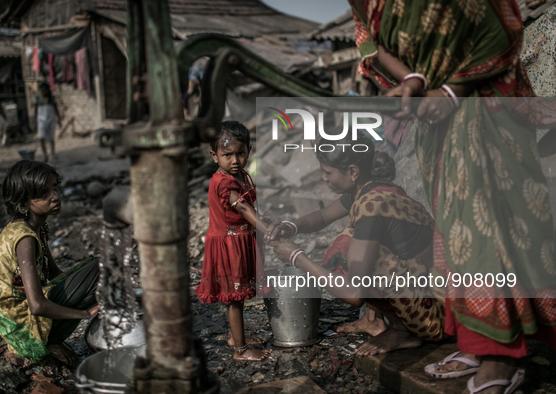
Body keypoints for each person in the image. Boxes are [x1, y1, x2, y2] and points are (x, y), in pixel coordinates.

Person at [348, 0, 556, 392]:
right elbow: (371, 44)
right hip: (433, 118)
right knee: (456, 234)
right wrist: (411, 81)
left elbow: (499, 31)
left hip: (486, 108)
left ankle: (501, 357)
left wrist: (451, 92)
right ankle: (475, 343)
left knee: (487, 232)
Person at [267, 134, 446, 356]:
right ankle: (373, 319)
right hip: (429, 296)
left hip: (435, 315)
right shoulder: (369, 190)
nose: (323, 177)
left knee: (345, 247)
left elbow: (354, 293)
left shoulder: (372, 208)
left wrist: (297, 257)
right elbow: (323, 216)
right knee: (357, 245)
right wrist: (291, 226)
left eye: (328, 172)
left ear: (352, 172)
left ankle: (403, 332)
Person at [0, 160, 99, 366]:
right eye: (43, 194)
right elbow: (36, 305)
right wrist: (85, 313)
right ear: (23, 201)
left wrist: (91, 291)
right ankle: (46, 343)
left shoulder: (38, 228)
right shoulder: (24, 239)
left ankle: (50, 339)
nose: (55, 197)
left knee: (97, 272)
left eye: (54, 187)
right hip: (22, 328)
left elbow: (56, 275)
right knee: (101, 267)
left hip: (24, 319)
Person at [195, 121, 272, 361]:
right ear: (214, 156)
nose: (235, 160)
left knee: (238, 295)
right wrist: (266, 227)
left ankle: (235, 337)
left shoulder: (239, 175)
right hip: (230, 248)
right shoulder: (224, 182)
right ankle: (240, 350)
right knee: (235, 299)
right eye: (227, 155)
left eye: (240, 153)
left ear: (249, 150)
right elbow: (242, 207)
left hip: (240, 241)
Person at [34, 82, 61, 163]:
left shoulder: (53, 98)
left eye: (45, 90)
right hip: (41, 120)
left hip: (51, 119)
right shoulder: (37, 99)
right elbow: (35, 111)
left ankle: (52, 155)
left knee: (51, 138)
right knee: (42, 138)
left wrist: (59, 119)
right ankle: (45, 155)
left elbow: (56, 109)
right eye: (42, 90)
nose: (44, 92)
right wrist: (35, 121)